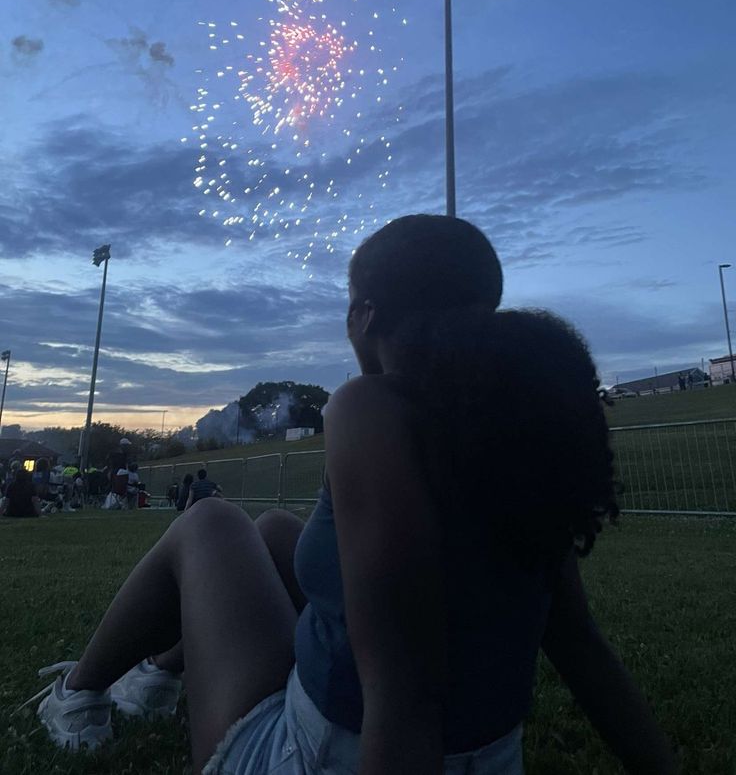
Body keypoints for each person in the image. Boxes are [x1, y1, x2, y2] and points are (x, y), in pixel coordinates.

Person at [26, 215, 678, 774]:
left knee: (213, 522)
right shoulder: (514, 416)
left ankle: (79, 694)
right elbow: (578, 639)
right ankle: (164, 671)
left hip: (330, 753)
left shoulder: (370, 407)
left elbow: (404, 686)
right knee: (280, 530)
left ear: (363, 315)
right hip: (487, 755)